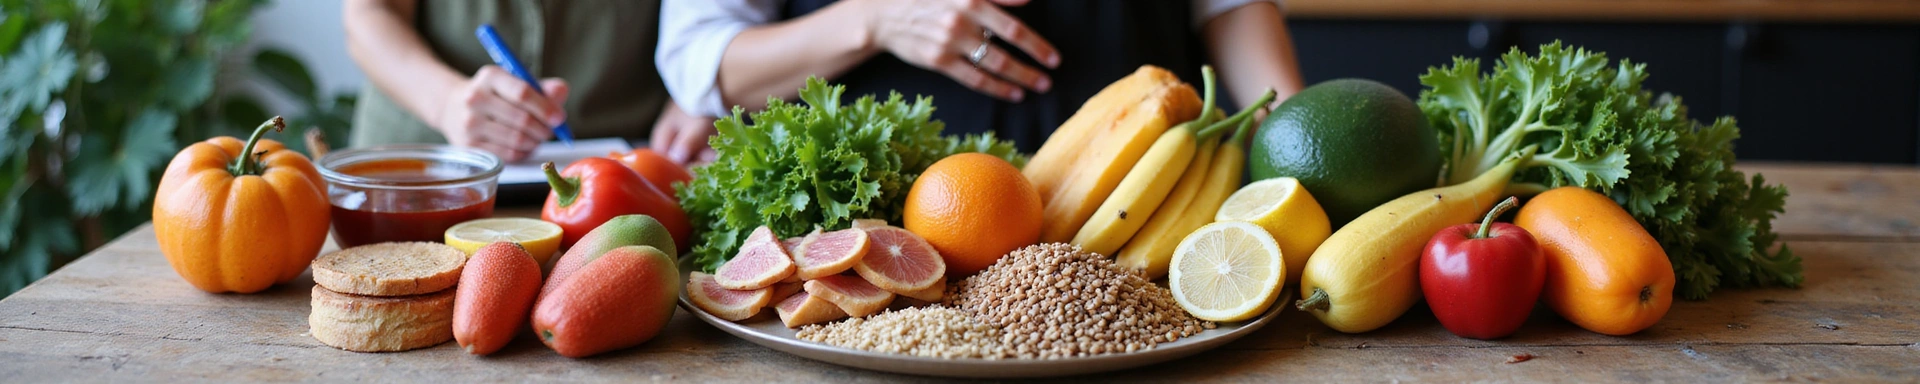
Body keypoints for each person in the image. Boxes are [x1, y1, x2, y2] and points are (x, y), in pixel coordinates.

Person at [653, 0, 1305, 152]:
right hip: (877, 253)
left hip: (1149, 222)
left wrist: (1298, 127)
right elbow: (703, 62)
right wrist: (875, 17)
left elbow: (1226, 6)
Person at [343, 0, 716, 164]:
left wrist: (698, 88)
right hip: (425, 163)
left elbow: (721, 15)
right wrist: (446, 102)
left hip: (636, 160)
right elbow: (369, 12)